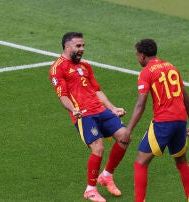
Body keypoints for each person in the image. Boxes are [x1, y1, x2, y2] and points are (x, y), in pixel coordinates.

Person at [49, 32, 131, 202]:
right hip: (83, 114)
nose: (82, 49)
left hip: (101, 110)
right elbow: (62, 95)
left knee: (124, 136)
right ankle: (90, 189)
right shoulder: (58, 68)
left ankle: (106, 176)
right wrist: (73, 110)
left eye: (83, 46)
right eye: (78, 46)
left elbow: (97, 90)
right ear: (67, 46)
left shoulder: (85, 66)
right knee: (98, 148)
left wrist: (113, 108)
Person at [124, 39, 189, 202]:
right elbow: (187, 99)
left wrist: (128, 130)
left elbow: (140, 105)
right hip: (180, 122)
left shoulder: (146, 72)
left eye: (137, 55)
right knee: (181, 162)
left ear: (142, 55)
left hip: (163, 122)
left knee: (140, 163)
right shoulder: (172, 67)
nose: (137, 58)